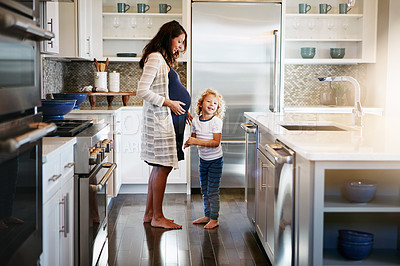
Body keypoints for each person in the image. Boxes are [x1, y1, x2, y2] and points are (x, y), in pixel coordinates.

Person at [137, 20, 191, 229]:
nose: (180, 46)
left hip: (172, 119)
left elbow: (172, 89)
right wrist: (168, 102)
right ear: (170, 37)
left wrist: (185, 111)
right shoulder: (155, 58)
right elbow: (142, 90)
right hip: (162, 122)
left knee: (160, 167)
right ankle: (158, 217)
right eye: (179, 41)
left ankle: (150, 213)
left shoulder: (163, 60)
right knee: (163, 167)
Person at [184, 89, 226, 229]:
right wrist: (189, 142)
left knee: (212, 190)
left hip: (215, 161)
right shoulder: (196, 120)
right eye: (209, 101)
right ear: (201, 104)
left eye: (215, 103)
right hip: (203, 160)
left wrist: (196, 142)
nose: (212, 104)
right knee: (204, 189)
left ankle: (214, 219)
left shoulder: (216, 122)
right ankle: (207, 215)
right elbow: (194, 137)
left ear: (217, 108)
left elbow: (215, 143)